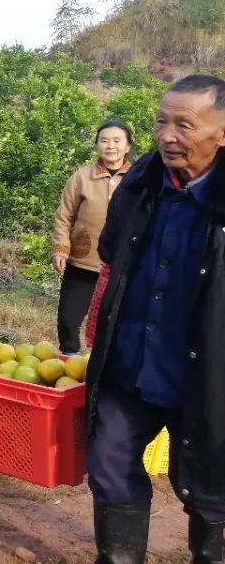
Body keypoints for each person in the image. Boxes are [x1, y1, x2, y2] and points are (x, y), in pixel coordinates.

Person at [82, 75, 225, 564]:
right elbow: (111, 260)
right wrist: (97, 318)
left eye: (185, 125)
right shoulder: (140, 186)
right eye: (161, 122)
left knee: (211, 488)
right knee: (110, 462)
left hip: (207, 377)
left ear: (221, 133)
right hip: (132, 364)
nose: (168, 135)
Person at [50, 121, 134, 354]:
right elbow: (64, 215)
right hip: (82, 261)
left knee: (112, 325)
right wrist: (60, 248)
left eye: (117, 141)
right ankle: (71, 361)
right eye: (104, 140)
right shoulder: (82, 177)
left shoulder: (137, 179)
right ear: (97, 145)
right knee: (68, 320)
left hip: (119, 266)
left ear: (127, 147)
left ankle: (101, 373)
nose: (110, 146)